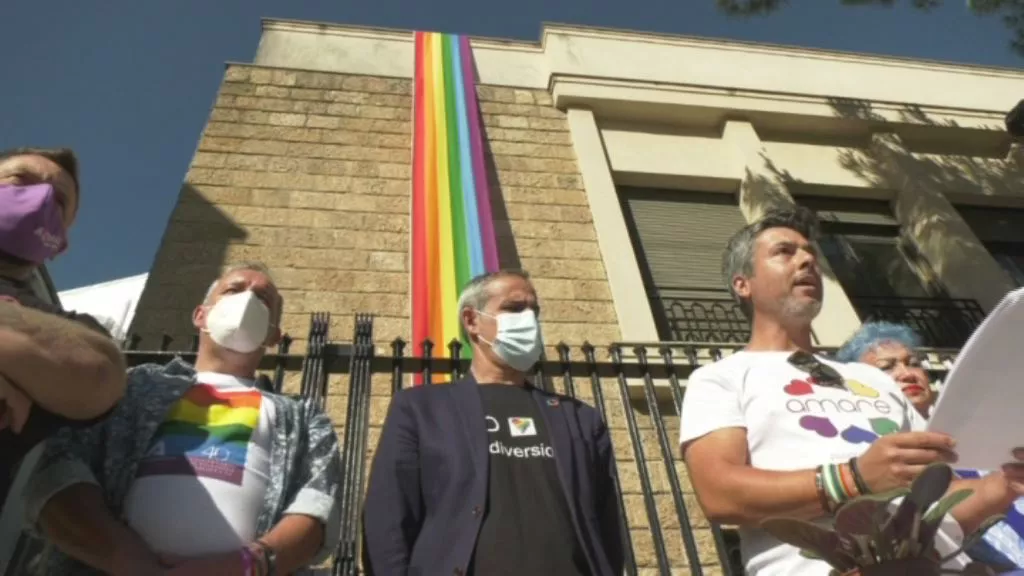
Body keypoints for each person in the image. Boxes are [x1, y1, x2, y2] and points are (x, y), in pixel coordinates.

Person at [678, 207, 1024, 575]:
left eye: (811, 253)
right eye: (785, 252)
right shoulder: (721, 377)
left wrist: (1002, 485)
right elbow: (719, 492)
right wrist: (854, 477)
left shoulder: (872, 377)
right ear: (742, 284)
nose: (808, 260)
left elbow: (942, 500)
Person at [23, 262, 342, 576]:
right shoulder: (132, 386)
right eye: (234, 289)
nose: (247, 300)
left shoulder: (303, 417)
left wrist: (250, 565)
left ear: (274, 335)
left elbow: (318, 505)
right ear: (200, 314)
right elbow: (60, 471)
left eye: (263, 299)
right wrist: (124, 557)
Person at [362, 270, 624, 576]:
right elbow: (388, 517)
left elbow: (607, 526)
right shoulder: (422, 410)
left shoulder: (580, 418)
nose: (528, 320)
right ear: (472, 321)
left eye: (533, 311)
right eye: (514, 308)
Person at [837, 322, 1024, 570]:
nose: (907, 373)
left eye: (913, 362)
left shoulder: (983, 432)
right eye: (886, 368)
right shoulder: (878, 459)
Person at [0, 147, 126, 503]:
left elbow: (98, 374)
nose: (40, 199)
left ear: (60, 241)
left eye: (57, 202)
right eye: (20, 180)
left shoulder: (69, 328)